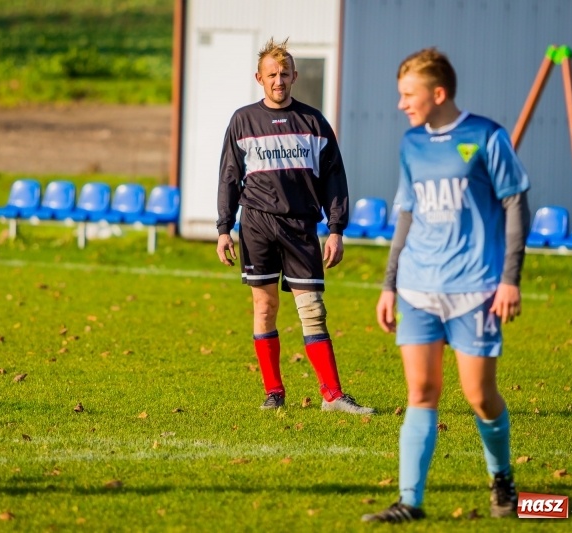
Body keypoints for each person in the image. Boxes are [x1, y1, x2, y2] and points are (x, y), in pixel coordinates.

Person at [362, 48, 530, 523]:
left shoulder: (486, 136)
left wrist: (509, 280)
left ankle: (502, 479)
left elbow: (517, 205)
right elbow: (407, 215)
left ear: (438, 93)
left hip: (475, 288)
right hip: (418, 287)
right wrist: (389, 284)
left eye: (408, 94)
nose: (401, 104)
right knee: (420, 392)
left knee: (479, 396)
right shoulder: (411, 144)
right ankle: (409, 502)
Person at [215, 37, 374, 415]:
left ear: (295, 76)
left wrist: (336, 229)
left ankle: (332, 396)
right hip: (256, 224)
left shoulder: (314, 122)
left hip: (302, 225)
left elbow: (334, 178)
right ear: (260, 77)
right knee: (264, 307)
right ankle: (274, 393)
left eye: (285, 73)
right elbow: (229, 176)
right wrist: (224, 228)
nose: (279, 80)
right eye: (272, 74)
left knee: (313, 309)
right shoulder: (243, 120)